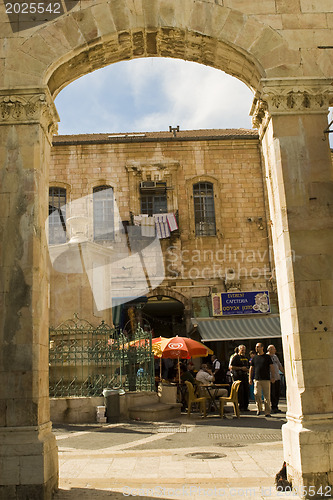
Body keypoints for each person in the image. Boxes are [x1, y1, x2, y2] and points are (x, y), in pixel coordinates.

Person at [249, 342, 275, 416]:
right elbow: (251, 368)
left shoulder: (267, 357)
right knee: (257, 394)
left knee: (267, 396)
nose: (256, 348)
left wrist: (273, 376)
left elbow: (271, 367)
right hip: (257, 379)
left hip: (266, 379)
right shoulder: (254, 358)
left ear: (262, 348)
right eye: (256, 347)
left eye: (258, 347)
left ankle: (267, 411)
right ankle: (259, 409)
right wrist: (250, 378)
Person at [229, 345, 250, 411]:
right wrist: (241, 368)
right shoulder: (236, 357)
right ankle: (241, 406)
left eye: (244, 349)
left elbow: (248, 366)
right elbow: (231, 367)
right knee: (240, 392)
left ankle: (246, 406)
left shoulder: (246, 358)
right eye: (241, 349)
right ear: (239, 350)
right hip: (238, 377)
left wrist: (247, 370)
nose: (243, 351)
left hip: (245, 376)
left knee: (246, 391)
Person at [267, 344, 285, 413]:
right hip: (271, 378)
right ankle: (272, 407)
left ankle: (276, 406)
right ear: (270, 350)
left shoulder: (275, 356)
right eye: (274, 349)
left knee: (277, 392)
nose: (275, 350)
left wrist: (284, 373)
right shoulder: (267, 357)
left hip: (277, 377)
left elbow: (279, 365)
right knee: (272, 393)